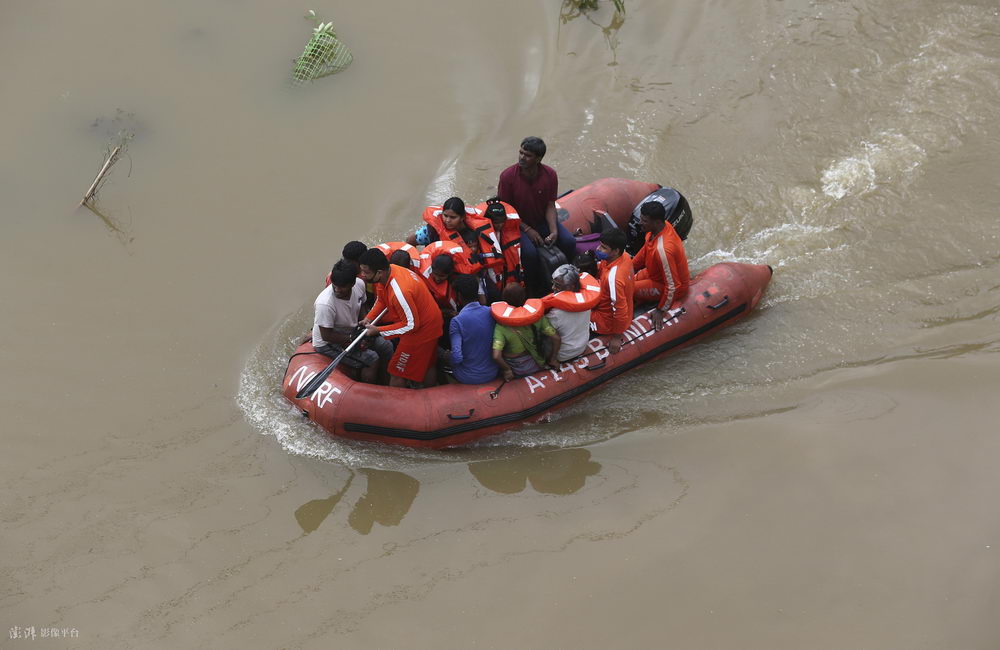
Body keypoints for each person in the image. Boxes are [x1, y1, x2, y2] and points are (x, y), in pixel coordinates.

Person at [497, 137, 577, 294]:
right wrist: (527, 229)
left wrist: (553, 231)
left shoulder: (550, 175)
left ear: (539, 158)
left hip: (541, 221)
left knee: (569, 241)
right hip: (517, 224)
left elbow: (550, 205)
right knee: (529, 254)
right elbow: (506, 211)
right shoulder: (507, 177)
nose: (521, 157)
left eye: (527, 155)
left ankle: (569, 279)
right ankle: (534, 289)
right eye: (521, 153)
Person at [358, 248, 444, 388]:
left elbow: (411, 325)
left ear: (379, 272)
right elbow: (381, 299)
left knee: (397, 371)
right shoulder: (389, 271)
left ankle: (396, 405)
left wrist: (378, 330)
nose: (362, 275)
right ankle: (428, 393)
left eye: (366, 272)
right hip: (428, 321)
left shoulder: (400, 291)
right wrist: (369, 318)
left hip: (422, 330)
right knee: (428, 363)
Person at [312, 260, 392, 383]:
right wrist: (353, 338)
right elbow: (326, 336)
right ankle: (370, 392)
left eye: (342, 286)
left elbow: (362, 306)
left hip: (353, 332)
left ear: (352, 283)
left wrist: (365, 327)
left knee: (386, 346)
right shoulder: (325, 304)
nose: (337, 290)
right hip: (327, 343)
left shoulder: (359, 284)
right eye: (335, 285)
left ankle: (386, 380)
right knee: (372, 359)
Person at [632, 201, 690, 329]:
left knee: (627, 289)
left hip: (668, 285)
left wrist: (661, 310)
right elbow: (645, 250)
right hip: (654, 273)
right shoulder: (657, 229)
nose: (640, 223)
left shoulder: (663, 250)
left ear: (657, 222)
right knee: (626, 282)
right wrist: (630, 267)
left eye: (644, 221)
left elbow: (673, 286)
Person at [492, 284, 561, 380]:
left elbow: (496, 356)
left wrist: (507, 370)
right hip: (536, 360)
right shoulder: (537, 317)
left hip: (515, 367)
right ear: (524, 296)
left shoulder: (501, 325)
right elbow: (556, 338)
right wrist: (553, 359)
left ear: (504, 300)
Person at [448, 274, 499, 384]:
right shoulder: (491, 311)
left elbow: (457, 357)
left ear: (459, 295)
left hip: (467, 376)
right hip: (492, 372)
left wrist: (447, 357)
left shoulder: (457, 321)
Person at [590, 228, 634, 354]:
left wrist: (616, 337)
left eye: (603, 247)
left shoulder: (614, 278)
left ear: (615, 251)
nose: (598, 249)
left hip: (605, 322)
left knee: (572, 314)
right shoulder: (624, 257)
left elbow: (620, 309)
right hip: (604, 304)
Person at [543, 264, 592, 362]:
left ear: (571, 287)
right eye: (553, 283)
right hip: (581, 347)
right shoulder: (587, 301)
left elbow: (551, 335)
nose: (553, 288)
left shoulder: (556, 314)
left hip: (564, 354)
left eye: (557, 285)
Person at [406, 197, 475, 247]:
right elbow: (410, 240)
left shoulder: (472, 229)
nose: (447, 220)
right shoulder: (432, 230)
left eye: (453, 217)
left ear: (462, 217)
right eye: (445, 215)